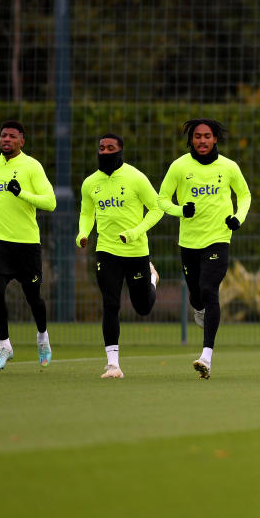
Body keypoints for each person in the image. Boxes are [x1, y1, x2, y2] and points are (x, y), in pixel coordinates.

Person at [158, 118, 251, 379]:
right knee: (196, 296)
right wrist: (180, 210)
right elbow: (162, 199)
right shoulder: (179, 166)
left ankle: (206, 356)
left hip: (219, 239)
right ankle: (198, 308)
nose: (202, 140)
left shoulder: (229, 167)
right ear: (191, 139)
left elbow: (244, 195)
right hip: (189, 242)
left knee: (210, 291)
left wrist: (237, 218)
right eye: (197, 136)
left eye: (207, 136)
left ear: (215, 139)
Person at [77, 134, 163, 379]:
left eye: (110, 148)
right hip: (106, 251)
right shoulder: (90, 183)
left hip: (136, 252)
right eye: (101, 148)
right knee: (110, 303)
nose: (105, 152)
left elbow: (157, 208)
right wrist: (83, 233)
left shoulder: (136, 177)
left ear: (120, 151)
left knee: (143, 307)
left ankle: (153, 278)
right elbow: (86, 214)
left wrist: (136, 232)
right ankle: (113, 365)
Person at [0, 120, 57, 370]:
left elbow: (50, 202)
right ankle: (4, 346)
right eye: (3, 135)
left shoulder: (32, 166)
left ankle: (42, 337)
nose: (6, 140)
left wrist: (21, 193)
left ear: (22, 140)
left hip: (26, 244)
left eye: (11, 136)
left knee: (33, 297)